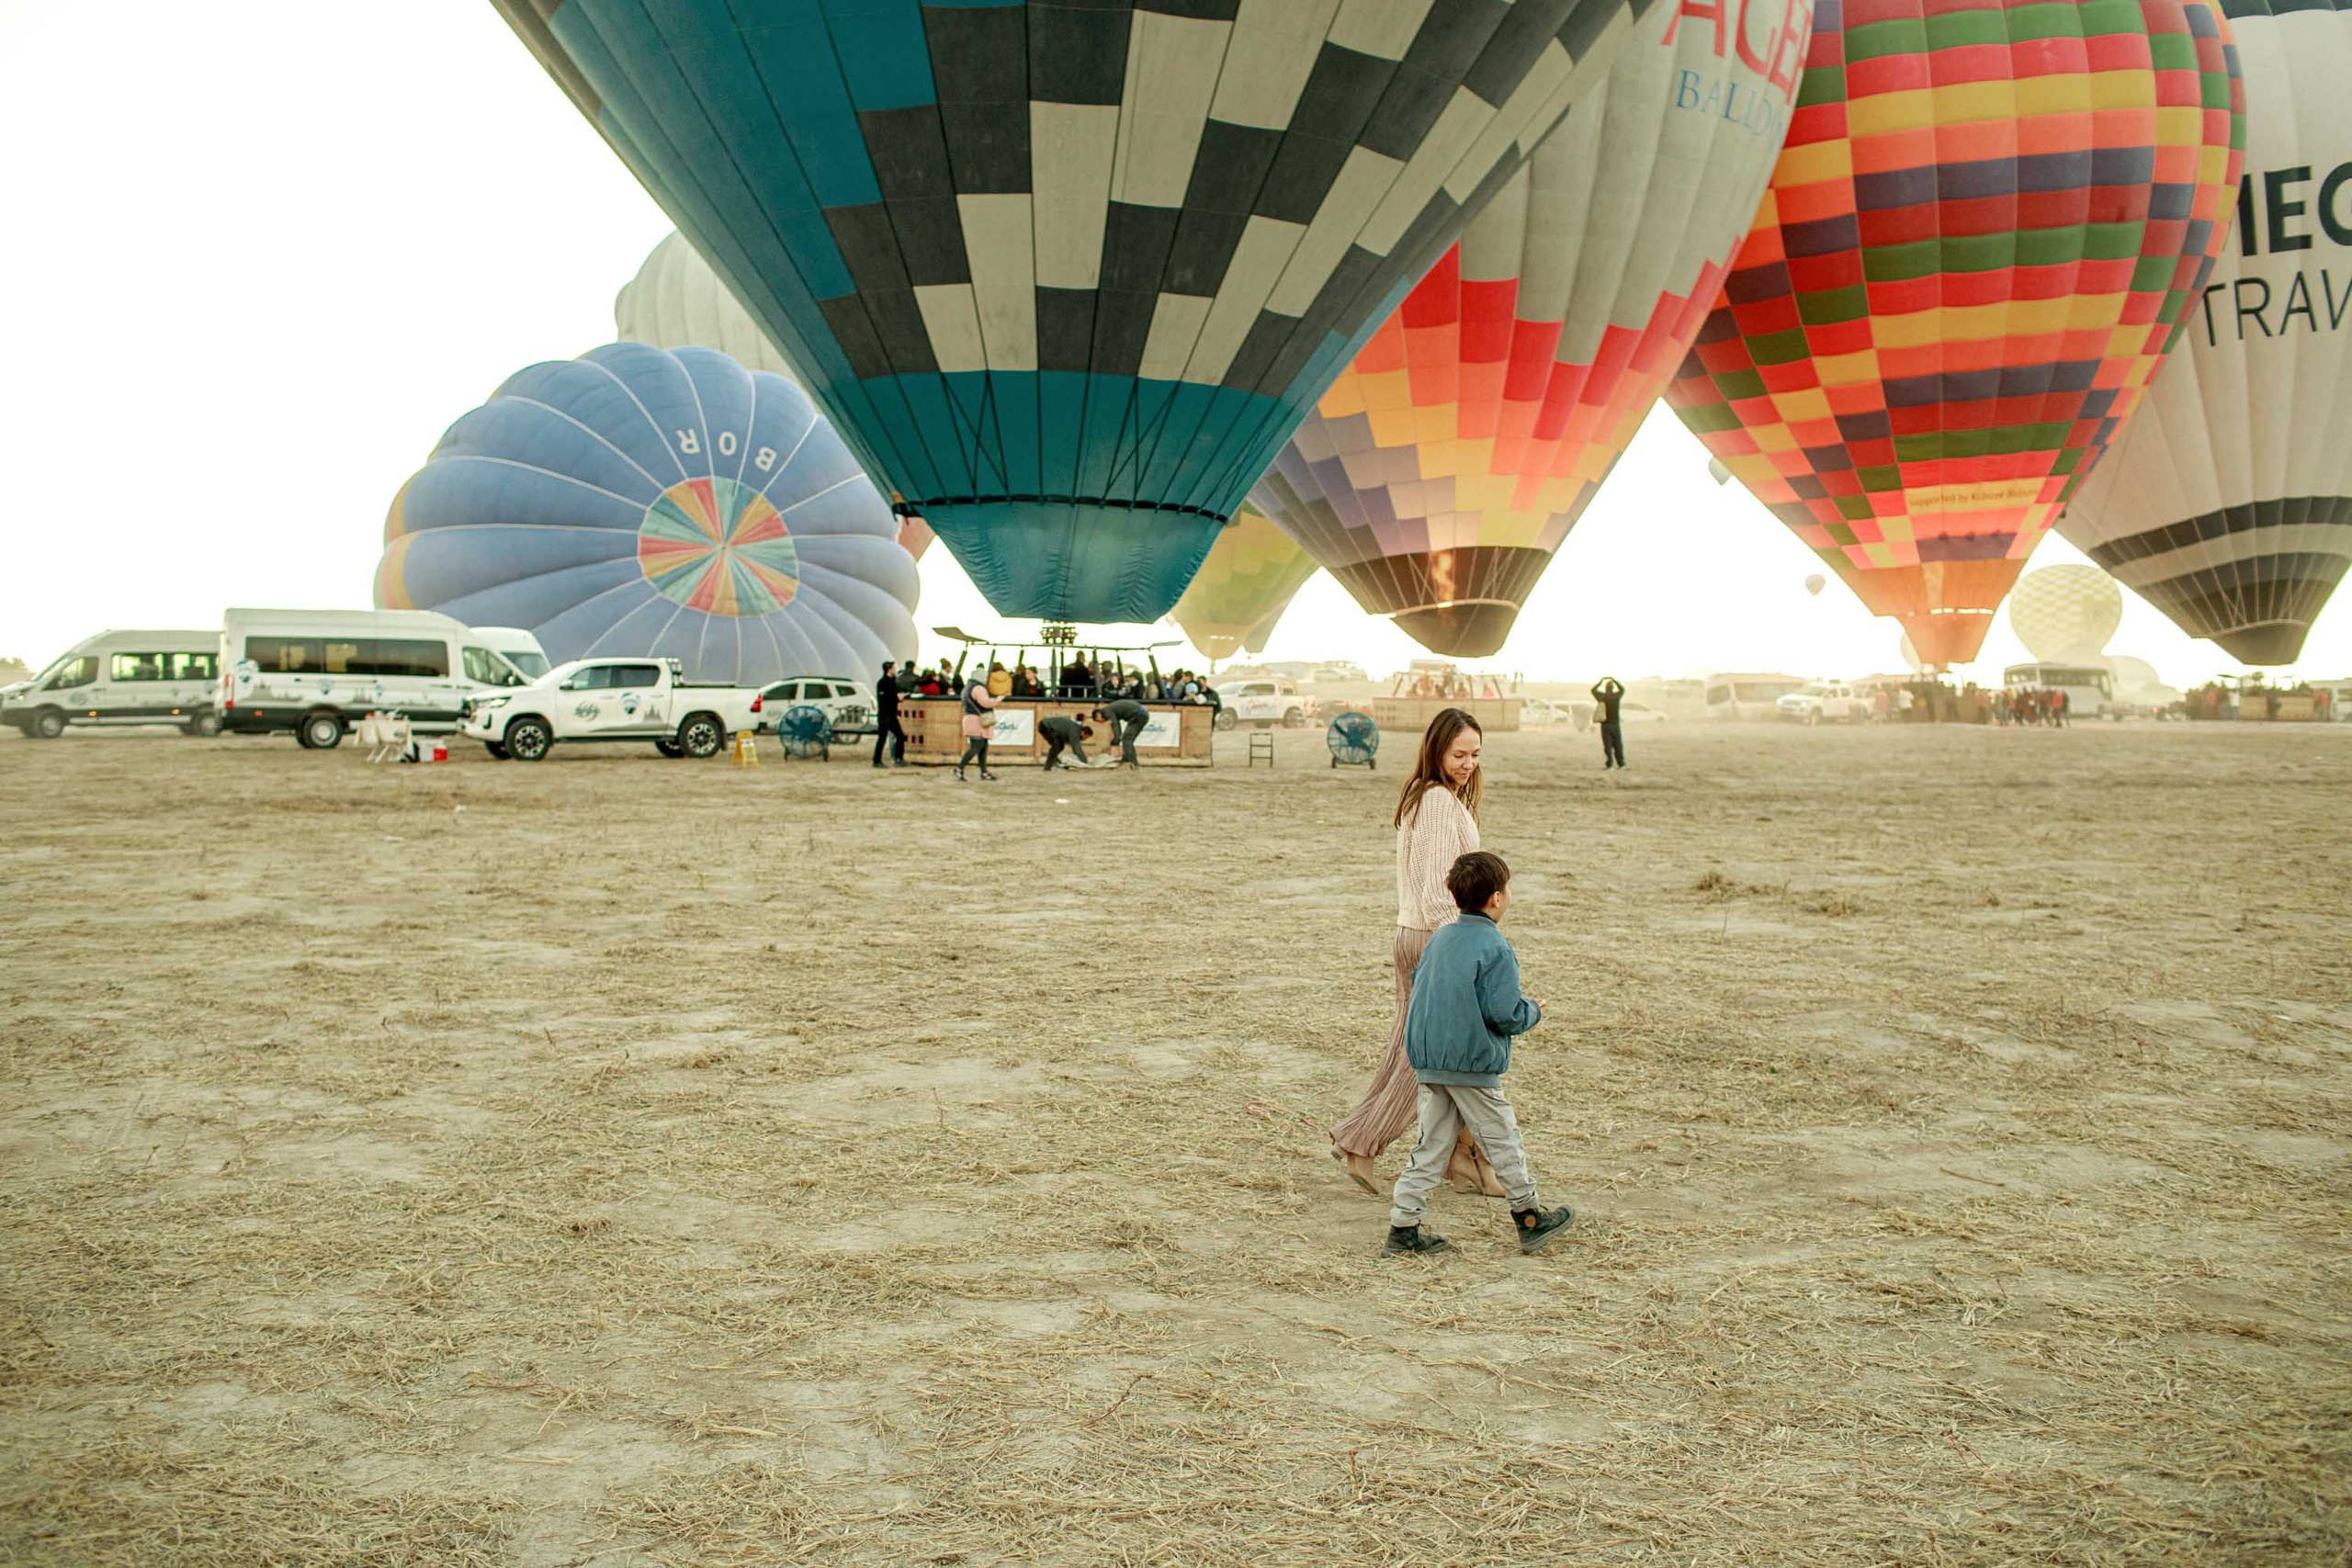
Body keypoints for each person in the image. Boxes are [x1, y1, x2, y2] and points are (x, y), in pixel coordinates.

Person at [1329, 708, 1505, 1201]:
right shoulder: (1437, 803)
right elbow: (1436, 889)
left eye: (1475, 754)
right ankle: (1363, 1142)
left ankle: (1462, 1157)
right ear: (1436, 750)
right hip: (1434, 937)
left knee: (1411, 1050)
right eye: (1459, 754)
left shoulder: (1428, 797)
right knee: (1432, 1059)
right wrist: (1464, 944)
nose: (1468, 764)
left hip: (1414, 934)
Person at [1384, 850, 1575, 1257]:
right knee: (1503, 1140)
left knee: (1429, 1147)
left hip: (1431, 1061)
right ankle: (1529, 1217)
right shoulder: (1495, 947)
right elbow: (1504, 1013)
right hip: (1470, 1064)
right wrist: (1532, 1011)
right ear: (1497, 898)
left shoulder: (1440, 938)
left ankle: (1403, 1228)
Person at [956, 665, 1004, 782]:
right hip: (977, 721)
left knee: (982, 746)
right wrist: (998, 699)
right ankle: (959, 768)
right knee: (976, 747)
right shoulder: (978, 688)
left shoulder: (967, 687)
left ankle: (984, 772)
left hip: (971, 719)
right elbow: (985, 703)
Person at [1093, 695, 1149, 768]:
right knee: (1128, 739)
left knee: (1126, 738)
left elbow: (1116, 727)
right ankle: (1131, 761)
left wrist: (1115, 743)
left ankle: (1129, 761)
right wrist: (1115, 740)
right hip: (1141, 714)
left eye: (1098, 721)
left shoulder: (1107, 712)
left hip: (1139, 715)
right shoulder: (1109, 709)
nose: (1101, 722)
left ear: (1098, 715)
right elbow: (1116, 727)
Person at [872, 660, 908, 767]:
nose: (895, 670)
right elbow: (884, 700)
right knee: (882, 738)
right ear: (889, 669)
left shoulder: (893, 682)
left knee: (900, 736)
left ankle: (899, 759)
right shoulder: (882, 683)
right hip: (884, 716)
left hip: (892, 715)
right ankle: (877, 761)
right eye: (893, 668)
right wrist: (897, 699)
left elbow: (895, 693)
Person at [1590, 675, 1626, 769]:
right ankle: (1621, 764)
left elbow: (1593, 690)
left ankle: (1609, 764)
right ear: (1613, 688)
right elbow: (1622, 689)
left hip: (1605, 725)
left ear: (1605, 688)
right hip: (1615, 724)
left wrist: (1601, 681)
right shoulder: (1616, 696)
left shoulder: (1602, 697)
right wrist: (1614, 680)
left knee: (1608, 746)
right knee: (1618, 745)